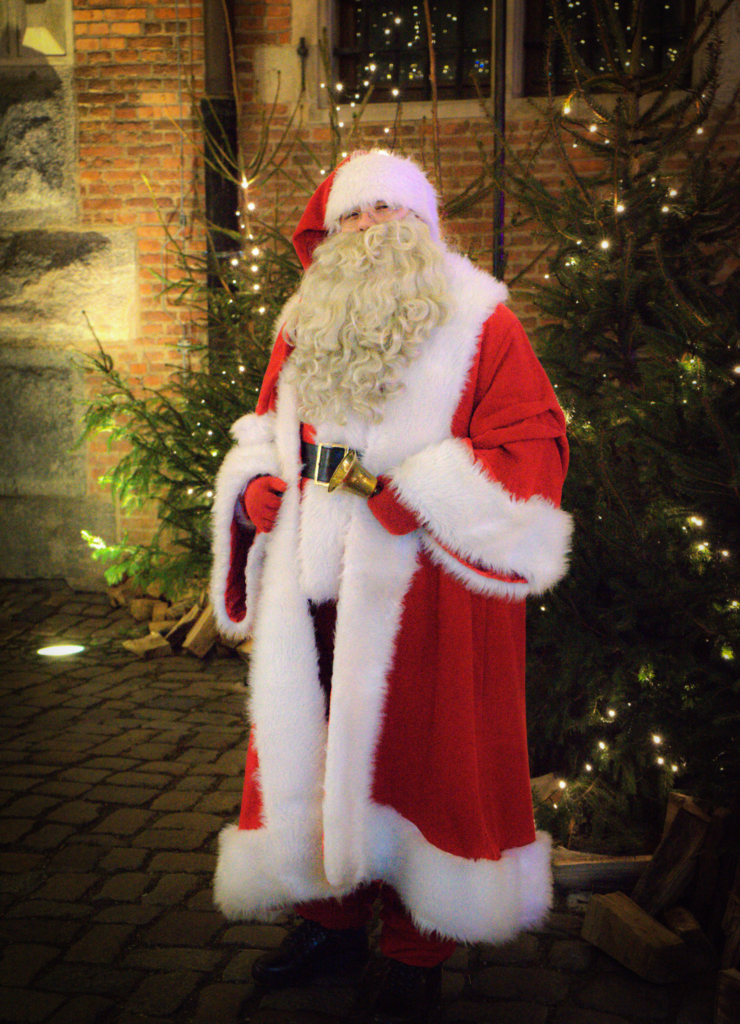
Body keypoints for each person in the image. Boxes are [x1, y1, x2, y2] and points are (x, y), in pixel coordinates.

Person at [210, 149, 572, 1024]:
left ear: (422, 225)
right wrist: (258, 487)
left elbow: (534, 454)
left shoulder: (486, 323)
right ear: (328, 237)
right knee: (313, 750)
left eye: (387, 214)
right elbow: (267, 426)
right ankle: (329, 920)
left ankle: (417, 949)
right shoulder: (302, 320)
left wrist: (410, 493)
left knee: (425, 762)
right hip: (316, 586)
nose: (369, 232)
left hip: (431, 597)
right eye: (351, 219)